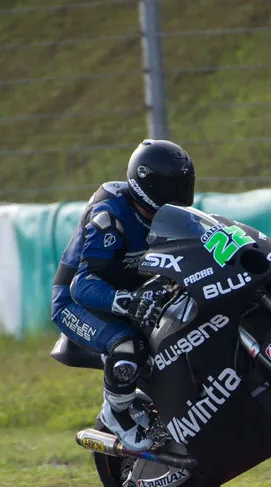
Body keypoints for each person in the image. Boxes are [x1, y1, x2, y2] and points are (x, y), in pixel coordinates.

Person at [51, 139, 196, 451]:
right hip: (77, 300)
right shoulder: (109, 216)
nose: (180, 196)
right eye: (172, 188)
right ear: (149, 185)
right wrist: (127, 302)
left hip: (126, 288)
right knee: (127, 344)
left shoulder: (168, 215)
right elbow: (82, 284)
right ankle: (116, 414)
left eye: (184, 186)